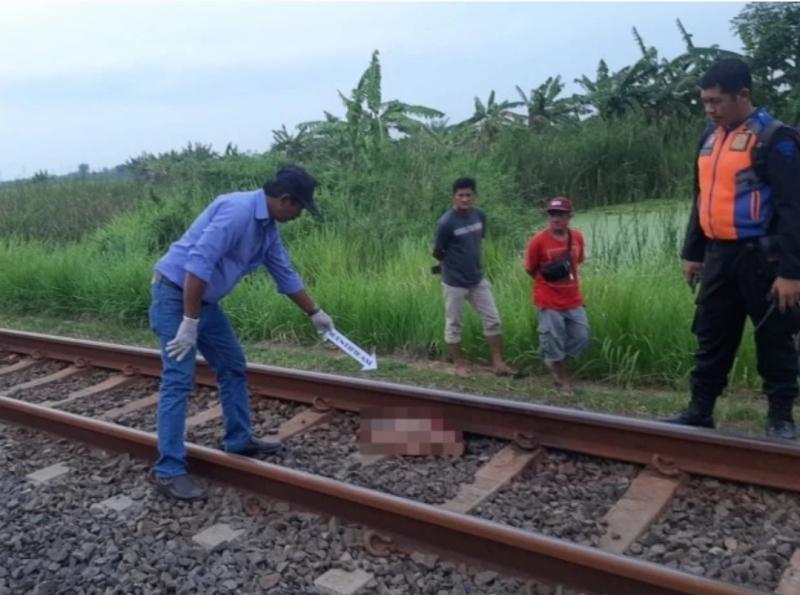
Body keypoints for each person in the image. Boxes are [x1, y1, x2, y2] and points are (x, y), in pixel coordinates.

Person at [149, 165, 335, 501]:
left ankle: (239, 440)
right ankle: (169, 471)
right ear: (285, 200)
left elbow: (284, 273)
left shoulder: (267, 229)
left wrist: (315, 312)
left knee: (233, 364)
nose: (299, 216)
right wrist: (188, 323)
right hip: (176, 295)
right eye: (299, 208)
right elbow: (197, 265)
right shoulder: (237, 212)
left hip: (203, 302)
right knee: (178, 378)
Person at [665, 58, 800, 439]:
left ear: (743, 95)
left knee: (775, 338)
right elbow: (701, 197)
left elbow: (794, 209)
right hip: (718, 256)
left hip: (765, 259)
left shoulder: (776, 138)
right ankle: (699, 410)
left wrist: (792, 273)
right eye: (705, 102)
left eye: (716, 101)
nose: (710, 109)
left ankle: (780, 418)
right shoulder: (709, 138)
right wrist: (692, 252)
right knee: (711, 335)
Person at [432, 177, 515, 378]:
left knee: (493, 320)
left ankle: (498, 363)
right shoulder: (446, 222)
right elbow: (437, 251)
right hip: (454, 282)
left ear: (475, 196)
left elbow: (477, 241)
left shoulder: (479, 216)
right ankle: (459, 364)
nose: (465, 199)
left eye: (468, 195)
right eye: (460, 195)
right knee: (454, 324)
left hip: (477, 279)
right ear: (454, 197)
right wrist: (449, 266)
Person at [523, 197, 590, 396]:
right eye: (552, 214)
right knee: (554, 339)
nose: (556, 219)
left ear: (570, 216)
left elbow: (578, 261)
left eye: (561, 214)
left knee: (582, 337)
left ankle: (552, 359)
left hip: (573, 298)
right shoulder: (538, 241)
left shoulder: (576, 237)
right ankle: (563, 380)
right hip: (548, 300)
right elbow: (530, 268)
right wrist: (547, 283)